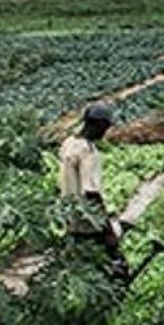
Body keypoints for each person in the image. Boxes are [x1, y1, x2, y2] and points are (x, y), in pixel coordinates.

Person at [59, 103, 129, 280]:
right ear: (97, 125)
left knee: (81, 267)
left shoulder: (68, 143)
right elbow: (91, 193)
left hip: (70, 215)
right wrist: (107, 230)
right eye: (105, 127)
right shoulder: (88, 152)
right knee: (114, 264)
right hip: (88, 221)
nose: (105, 132)